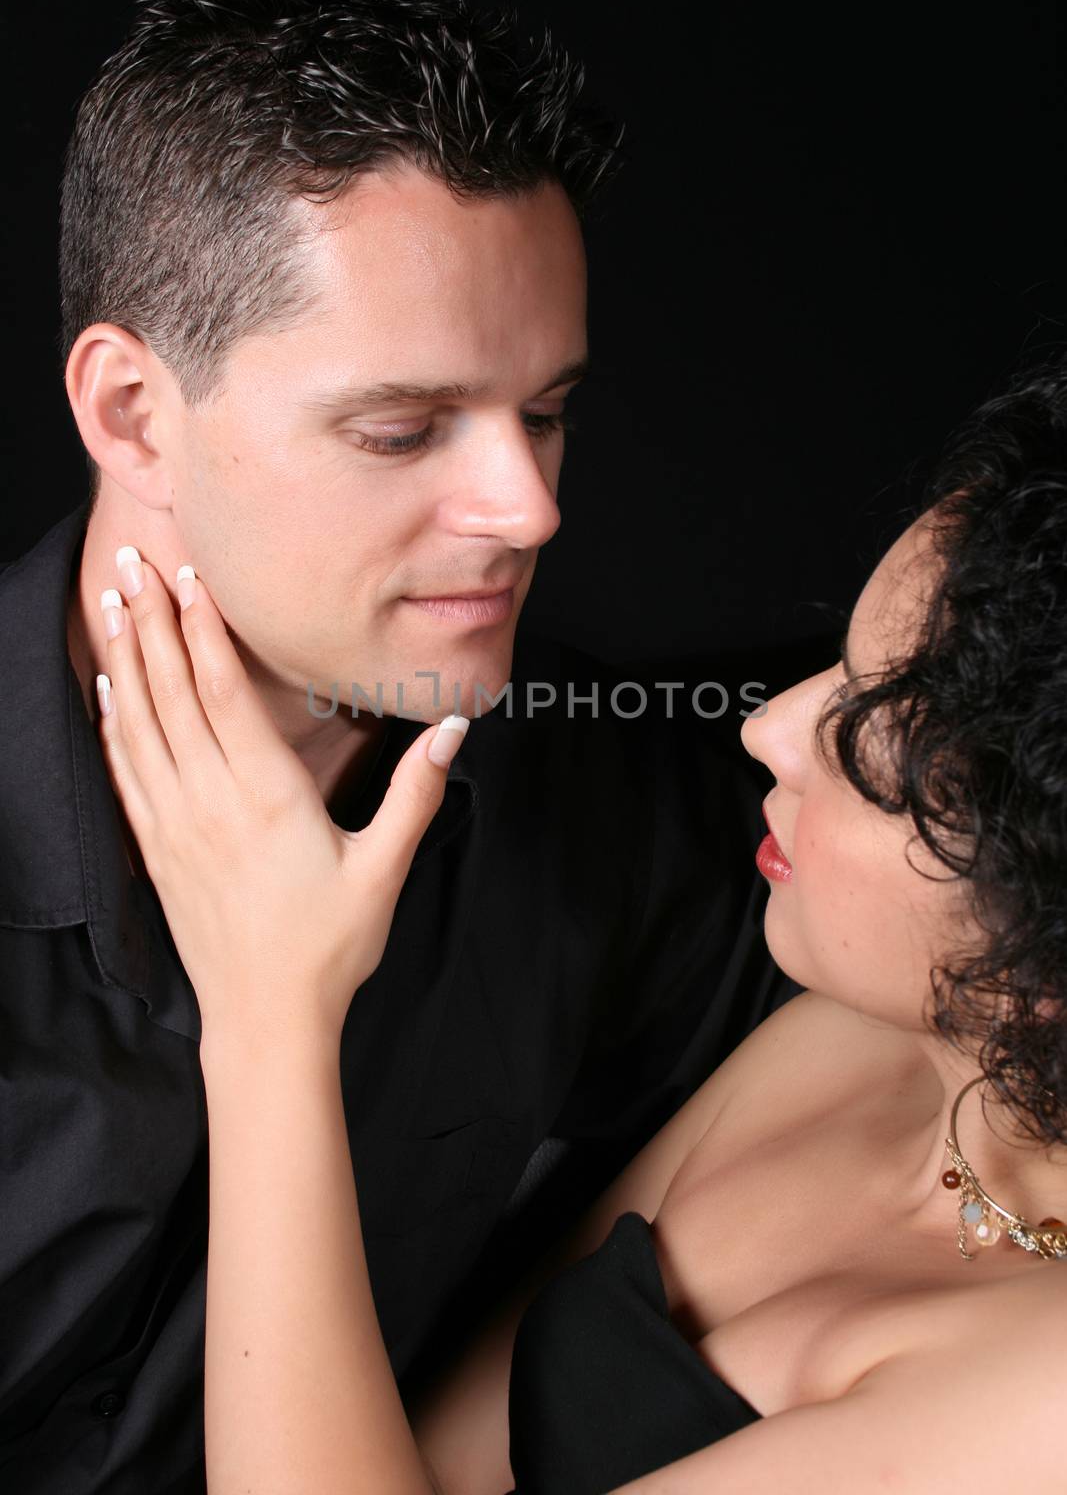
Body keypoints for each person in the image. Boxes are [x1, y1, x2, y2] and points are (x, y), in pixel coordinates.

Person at [0, 0, 803, 1493]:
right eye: (401, 428)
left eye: (546, 411)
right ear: (128, 413)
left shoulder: (600, 805)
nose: (528, 507)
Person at [93, 358, 1067, 1493]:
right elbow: (431, 1458)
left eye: (865, 750)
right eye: (835, 671)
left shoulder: (1039, 1410)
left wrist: (268, 1017)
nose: (768, 729)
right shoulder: (864, 1040)